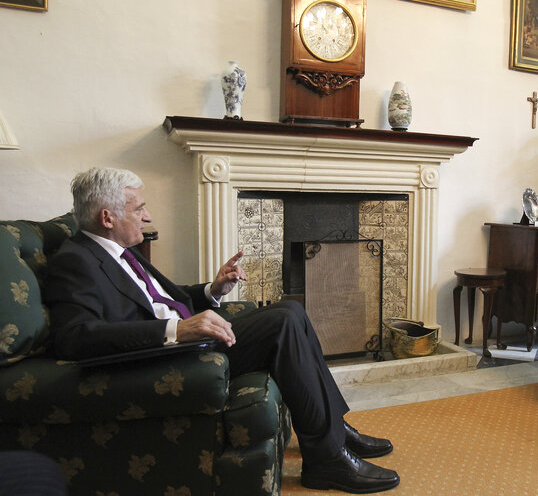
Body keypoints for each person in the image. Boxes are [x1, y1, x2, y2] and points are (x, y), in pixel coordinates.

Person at [43, 167, 400, 494]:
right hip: (164, 355)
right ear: (108, 217)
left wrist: (213, 290)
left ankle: (335, 430)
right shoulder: (76, 261)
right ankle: (326, 460)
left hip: (190, 339)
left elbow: (167, 298)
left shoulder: (120, 251)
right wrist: (176, 330)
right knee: (283, 319)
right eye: (139, 209)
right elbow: (75, 338)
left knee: (291, 309)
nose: (147, 216)